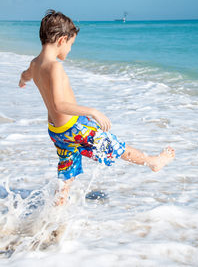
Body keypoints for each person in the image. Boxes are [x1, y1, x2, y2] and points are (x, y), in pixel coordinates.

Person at [19, 10, 175, 205]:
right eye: (71, 45)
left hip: (56, 132)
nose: (69, 50)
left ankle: (57, 209)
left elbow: (26, 74)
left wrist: (22, 81)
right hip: (76, 128)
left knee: (67, 171)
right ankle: (153, 162)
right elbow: (60, 105)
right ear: (62, 40)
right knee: (115, 146)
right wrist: (92, 111)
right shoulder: (55, 66)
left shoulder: (35, 64)